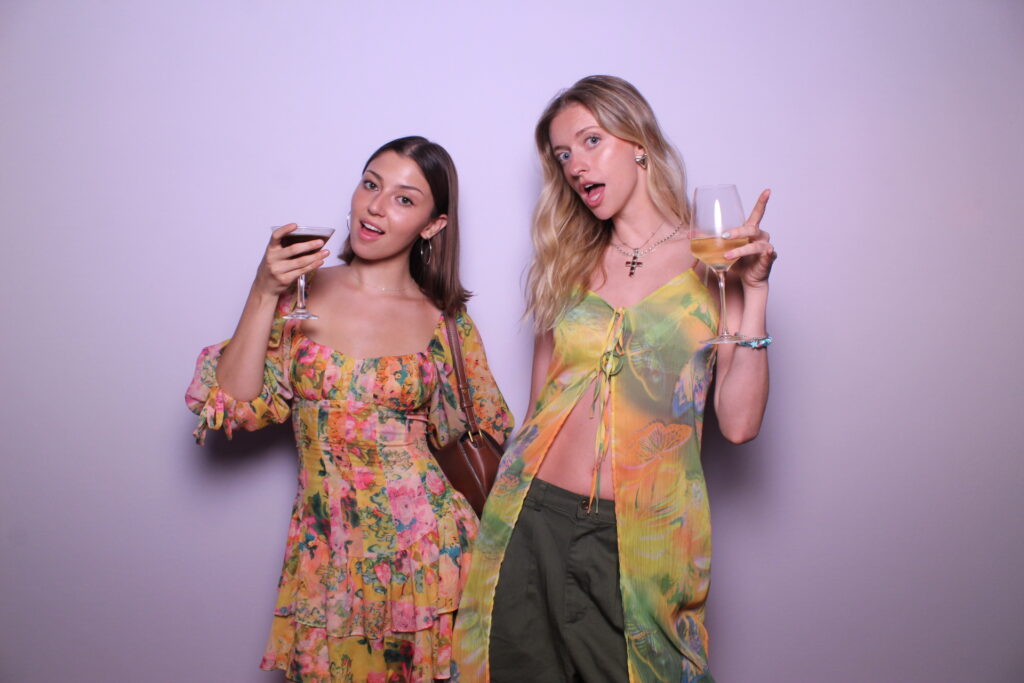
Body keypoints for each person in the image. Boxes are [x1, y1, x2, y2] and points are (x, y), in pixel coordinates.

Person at [452, 76, 777, 682]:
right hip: (531, 514)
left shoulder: (715, 259)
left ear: (639, 143)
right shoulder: (565, 261)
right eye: (562, 155)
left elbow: (738, 424)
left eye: (590, 141)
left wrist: (754, 293)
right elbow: (540, 407)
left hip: (644, 535)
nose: (576, 165)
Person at [185, 136, 513, 682]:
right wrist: (263, 291)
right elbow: (235, 407)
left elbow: (487, 432)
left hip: (427, 555)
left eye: (404, 199)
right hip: (326, 554)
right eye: (370, 184)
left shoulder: (445, 322)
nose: (376, 207)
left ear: (432, 225)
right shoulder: (299, 297)